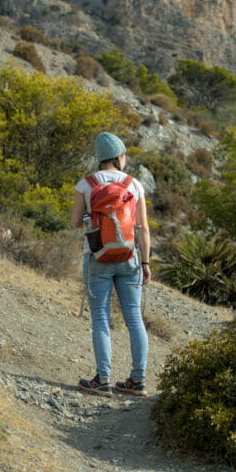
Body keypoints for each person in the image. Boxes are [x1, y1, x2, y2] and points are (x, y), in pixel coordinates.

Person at [71, 131, 151, 397]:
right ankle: (137, 380)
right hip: (130, 258)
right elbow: (143, 228)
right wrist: (147, 263)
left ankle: (103, 379)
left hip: (97, 258)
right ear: (118, 157)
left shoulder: (86, 184)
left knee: (101, 319)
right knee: (134, 319)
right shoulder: (134, 185)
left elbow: (74, 222)